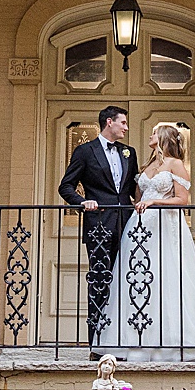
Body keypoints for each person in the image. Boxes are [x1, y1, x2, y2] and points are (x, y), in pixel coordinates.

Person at [100, 123, 195, 361]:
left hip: (165, 225)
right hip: (139, 226)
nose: (149, 135)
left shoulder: (176, 164)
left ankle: (170, 342)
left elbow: (182, 200)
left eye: (153, 132)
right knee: (137, 277)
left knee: (166, 275)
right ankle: (135, 340)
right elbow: (138, 196)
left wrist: (154, 203)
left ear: (163, 138)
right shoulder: (148, 165)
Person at [58, 105, 137, 358]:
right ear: (109, 122)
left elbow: (133, 189)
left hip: (127, 224)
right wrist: (82, 202)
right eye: (122, 122)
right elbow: (66, 186)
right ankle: (98, 345)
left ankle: (126, 341)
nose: (125, 127)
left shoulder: (129, 152)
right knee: (100, 282)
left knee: (128, 281)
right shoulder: (84, 151)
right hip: (99, 227)